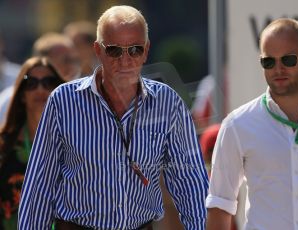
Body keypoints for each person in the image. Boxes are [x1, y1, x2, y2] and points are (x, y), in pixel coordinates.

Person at [18, 5, 208, 229]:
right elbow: (40, 186)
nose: (125, 60)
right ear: (98, 50)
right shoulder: (63, 101)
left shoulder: (168, 103)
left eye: (135, 49)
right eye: (114, 50)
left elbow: (191, 182)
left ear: (146, 51)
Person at [206, 18, 298, 230]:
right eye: (268, 62)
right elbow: (219, 204)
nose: (278, 69)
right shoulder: (237, 125)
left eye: (288, 60)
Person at [0, 56, 64, 229]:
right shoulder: (3, 145)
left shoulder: (77, 142)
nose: (41, 90)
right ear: (21, 95)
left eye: (49, 82)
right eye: (31, 83)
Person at [0, 32, 81, 125]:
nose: (72, 66)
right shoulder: (11, 100)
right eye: (66, 60)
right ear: (43, 61)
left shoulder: (81, 98)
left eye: (75, 60)